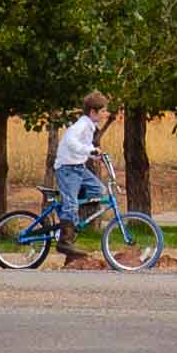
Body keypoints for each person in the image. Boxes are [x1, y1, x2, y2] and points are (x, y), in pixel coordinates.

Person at [51, 91, 115, 261]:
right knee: (71, 203)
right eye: (103, 111)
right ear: (93, 112)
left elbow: (81, 148)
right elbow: (71, 141)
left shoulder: (90, 126)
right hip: (67, 169)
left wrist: (93, 155)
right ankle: (64, 240)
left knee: (98, 190)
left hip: (78, 168)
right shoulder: (82, 124)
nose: (105, 114)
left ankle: (70, 217)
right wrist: (89, 150)